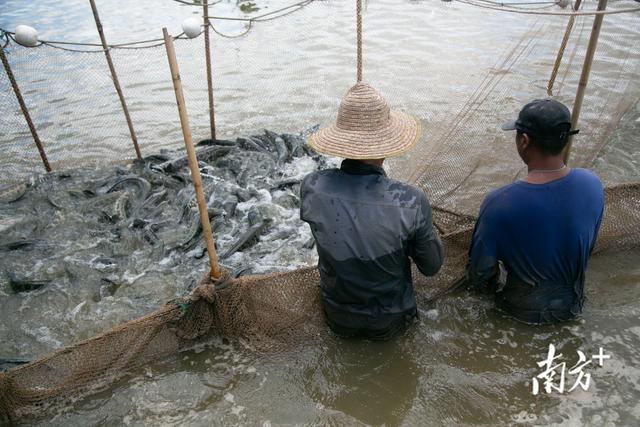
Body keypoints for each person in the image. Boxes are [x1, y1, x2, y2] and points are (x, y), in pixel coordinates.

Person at [300, 82, 443, 340]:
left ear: (341, 142)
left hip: (337, 316)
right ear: (386, 146)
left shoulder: (312, 186)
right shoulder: (411, 201)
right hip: (392, 321)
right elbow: (431, 267)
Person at [467, 98, 604, 324]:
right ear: (565, 141)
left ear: (525, 141)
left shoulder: (499, 203)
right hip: (573, 308)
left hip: (518, 316)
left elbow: (479, 276)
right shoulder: (593, 184)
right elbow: (587, 246)